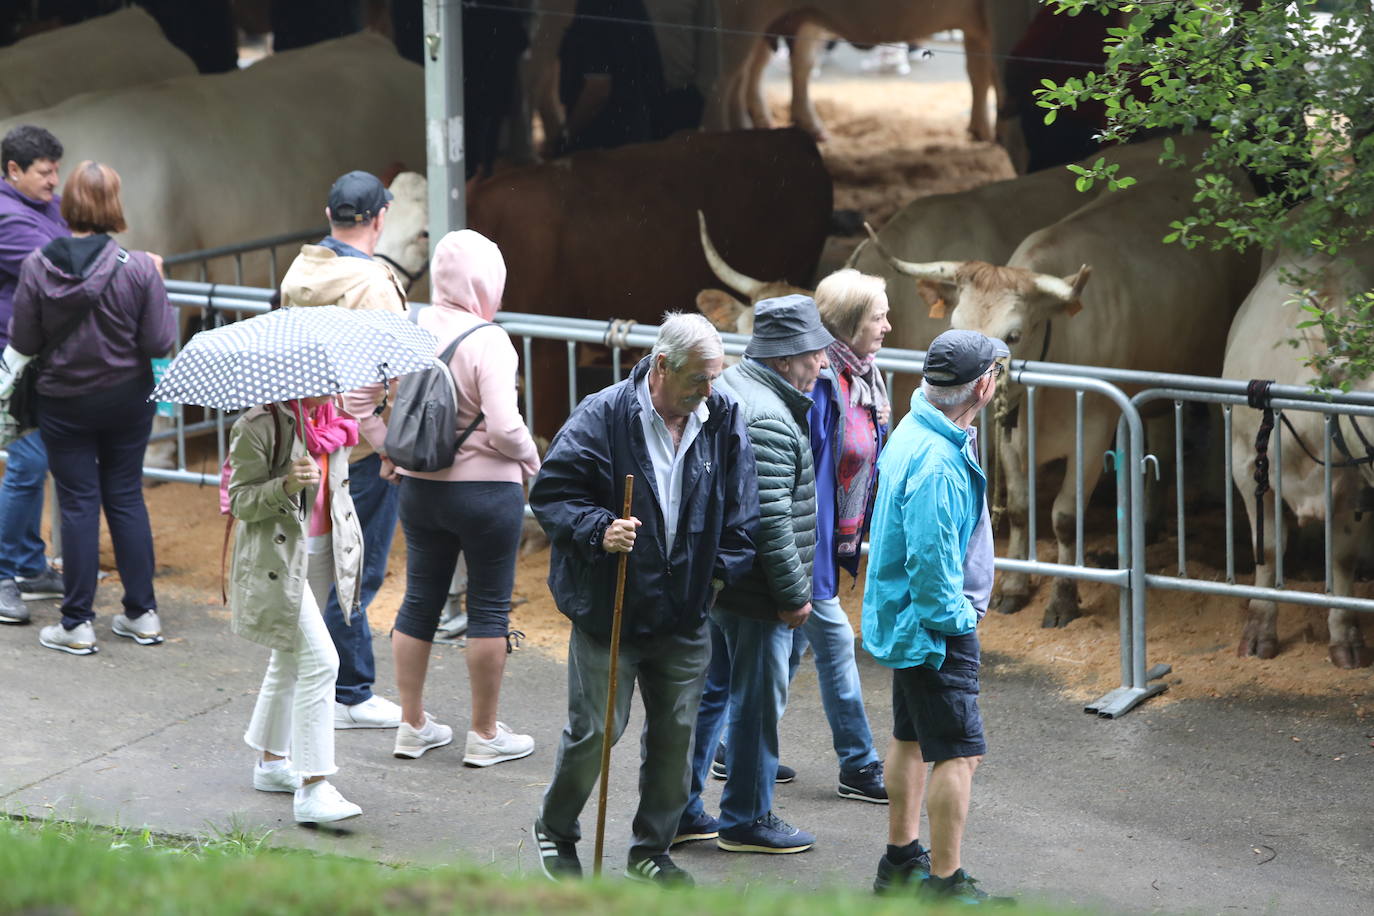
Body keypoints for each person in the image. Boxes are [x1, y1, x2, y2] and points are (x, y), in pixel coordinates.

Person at [529, 312, 758, 886]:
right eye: (699, 379)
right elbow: (552, 494)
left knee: (677, 740)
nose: (710, 390)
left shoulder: (722, 419)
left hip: (685, 614)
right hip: (610, 610)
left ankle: (650, 850)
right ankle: (556, 830)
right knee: (596, 732)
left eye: (715, 377)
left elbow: (742, 513)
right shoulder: (603, 415)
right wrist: (598, 530)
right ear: (661, 366)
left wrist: (715, 579)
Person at [381, 230, 541, 764]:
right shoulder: (490, 340)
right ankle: (485, 734)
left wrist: (390, 449)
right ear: (486, 279)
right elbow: (504, 426)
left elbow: (360, 401)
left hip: (420, 491)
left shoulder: (406, 326)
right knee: (489, 609)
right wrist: (532, 460)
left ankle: (412, 725)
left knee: (419, 600)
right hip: (488, 496)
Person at [863, 329, 1009, 904]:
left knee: (910, 737)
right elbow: (930, 564)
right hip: (934, 629)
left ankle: (901, 860)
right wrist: (958, 623)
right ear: (983, 385)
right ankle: (945, 884)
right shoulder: (938, 463)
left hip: (909, 622)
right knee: (959, 753)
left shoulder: (920, 425)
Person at [682, 294, 831, 855]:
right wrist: (794, 596)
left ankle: (679, 808)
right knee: (755, 706)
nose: (820, 363)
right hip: (757, 594)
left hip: (725, 585)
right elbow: (771, 520)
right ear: (785, 356)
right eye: (813, 353)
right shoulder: (769, 415)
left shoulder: (737, 389)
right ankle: (746, 816)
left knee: (711, 697)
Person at [6, 161, 175, 655]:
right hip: (127, 398)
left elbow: (25, 339)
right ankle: (142, 614)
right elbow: (160, 339)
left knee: (78, 502)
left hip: (64, 402)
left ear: (69, 205)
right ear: (115, 206)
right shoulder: (140, 266)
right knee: (125, 497)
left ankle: (77, 623)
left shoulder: (38, 264)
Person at [279, 170, 407, 730]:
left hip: (311, 441)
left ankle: (326, 679)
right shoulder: (374, 285)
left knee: (326, 568)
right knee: (360, 568)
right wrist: (391, 442)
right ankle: (349, 690)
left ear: (330, 215)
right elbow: (394, 373)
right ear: (380, 219)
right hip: (362, 449)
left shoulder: (298, 273)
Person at [227, 394, 365, 825]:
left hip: (324, 550)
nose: (336, 382)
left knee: (288, 656)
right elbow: (239, 501)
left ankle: (270, 764)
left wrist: (377, 413)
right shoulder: (257, 424)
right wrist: (285, 485)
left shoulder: (334, 416)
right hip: (278, 559)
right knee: (323, 662)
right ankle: (313, 787)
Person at [794, 268, 893, 803]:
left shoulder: (864, 375)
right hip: (805, 547)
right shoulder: (820, 382)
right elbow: (802, 478)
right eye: (879, 315)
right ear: (851, 323)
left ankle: (723, 747)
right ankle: (858, 764)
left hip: (826, 547)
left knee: (785, 651)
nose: (888, 325)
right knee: (832, 641)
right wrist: (805, 561)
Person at [0, 125, 68, 627]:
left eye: (56, 170)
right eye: (44, 172)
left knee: (33, 462)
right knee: (28, 463)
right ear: (13, 171)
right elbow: (61, 270)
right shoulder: (6, 219)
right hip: (12, 359)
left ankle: (26, 565)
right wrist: (129, 265)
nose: (54, 180)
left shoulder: (48, 206)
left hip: (39, 358)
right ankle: (4, 573)